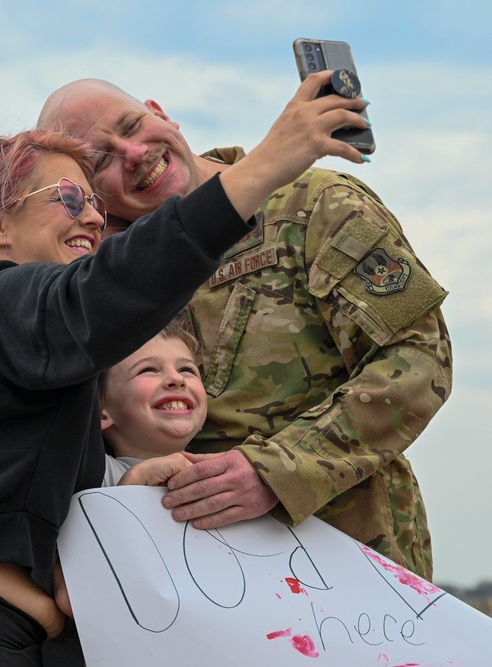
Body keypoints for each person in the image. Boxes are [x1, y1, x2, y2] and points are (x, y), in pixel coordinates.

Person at [0, 70, 371, 667]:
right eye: (70, 199)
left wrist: (126, 495)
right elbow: (104, 295)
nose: (93, 219)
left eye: (97, 205)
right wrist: (270, 161)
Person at [38, 75, 453, 580]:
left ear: (161, 112)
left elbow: (417, 358)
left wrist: (278, 471)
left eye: (132, 126)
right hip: (189, 576)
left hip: (350, 560)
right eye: (100, 159)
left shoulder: (312, 204)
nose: (132, 152)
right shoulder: (101, 277)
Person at [99, 315, 206, 486]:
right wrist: (134, 481)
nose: (177, 378)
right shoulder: (94, 474)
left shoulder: (227, 481)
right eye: (148, 369)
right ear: (101, 414)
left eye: (187, 369)